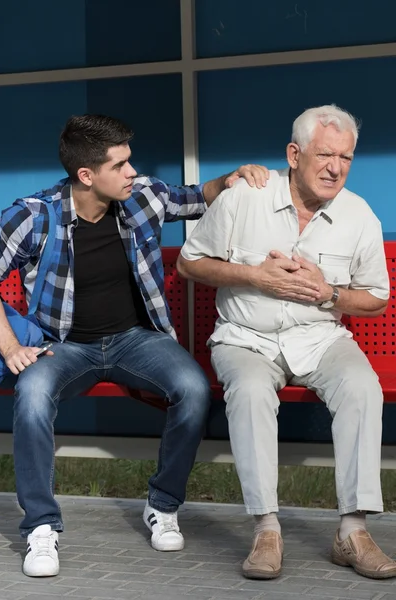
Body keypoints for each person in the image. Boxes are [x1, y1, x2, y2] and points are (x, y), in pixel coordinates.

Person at [0, 114, 278, 578]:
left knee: (193, 388)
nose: (133, 172)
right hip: (64, 346)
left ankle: (162, 507)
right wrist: (10, 348)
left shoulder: (141, 196)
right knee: (30, 397)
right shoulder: (33, 215)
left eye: (131, 161)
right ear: (87, 176)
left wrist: (232, 178)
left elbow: (197, 197)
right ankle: (41, 529)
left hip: (134, 340)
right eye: (121, 164)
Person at [177, 105, 396, 580]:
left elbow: (377, 297)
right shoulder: (243, 198)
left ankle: (353, 532)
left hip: (320, 338)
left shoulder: (360, 216)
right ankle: (267, 528)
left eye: (346, 157)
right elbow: (190, 264)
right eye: (324, 155)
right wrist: (255, 278)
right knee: (253, 392)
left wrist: (329, 293)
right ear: (294, 155)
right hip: (246, 338)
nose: (335, 167)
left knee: (363, 386)